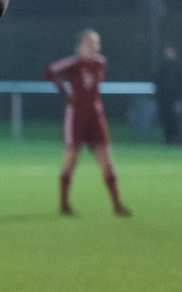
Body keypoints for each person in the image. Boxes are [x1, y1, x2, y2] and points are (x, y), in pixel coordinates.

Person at [44, 29, 131, 217]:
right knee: (71, 161)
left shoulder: (101, 63)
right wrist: (63, 90)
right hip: (76, 118)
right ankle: (64, 205)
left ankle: (117, 205)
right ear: (79, 47)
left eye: (95, 44)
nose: (93, 47)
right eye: (88, 44)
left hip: (95, 118)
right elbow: (49, 71)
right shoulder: (73, 64)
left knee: (107, 162)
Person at [153, 44, 182, 145]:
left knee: (176, 120)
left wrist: (179, 97)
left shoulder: (178, 66)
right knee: (166, 120)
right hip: (164, 99)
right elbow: (157, 80)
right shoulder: (162, 66)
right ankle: (168, 140)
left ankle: (179, 140)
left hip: (175, 99)